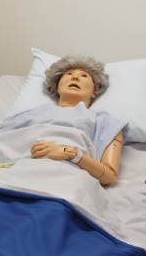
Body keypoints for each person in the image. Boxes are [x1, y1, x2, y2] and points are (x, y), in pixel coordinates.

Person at [18, 55, 124, 186]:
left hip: (62, 182)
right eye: (69, 74)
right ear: (56, 86)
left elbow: (109, 177)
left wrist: (70, 153)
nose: (75, 77)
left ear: (94, 90)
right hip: (9, 176)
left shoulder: (105, 122)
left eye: (84, 76)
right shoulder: (27, 115)